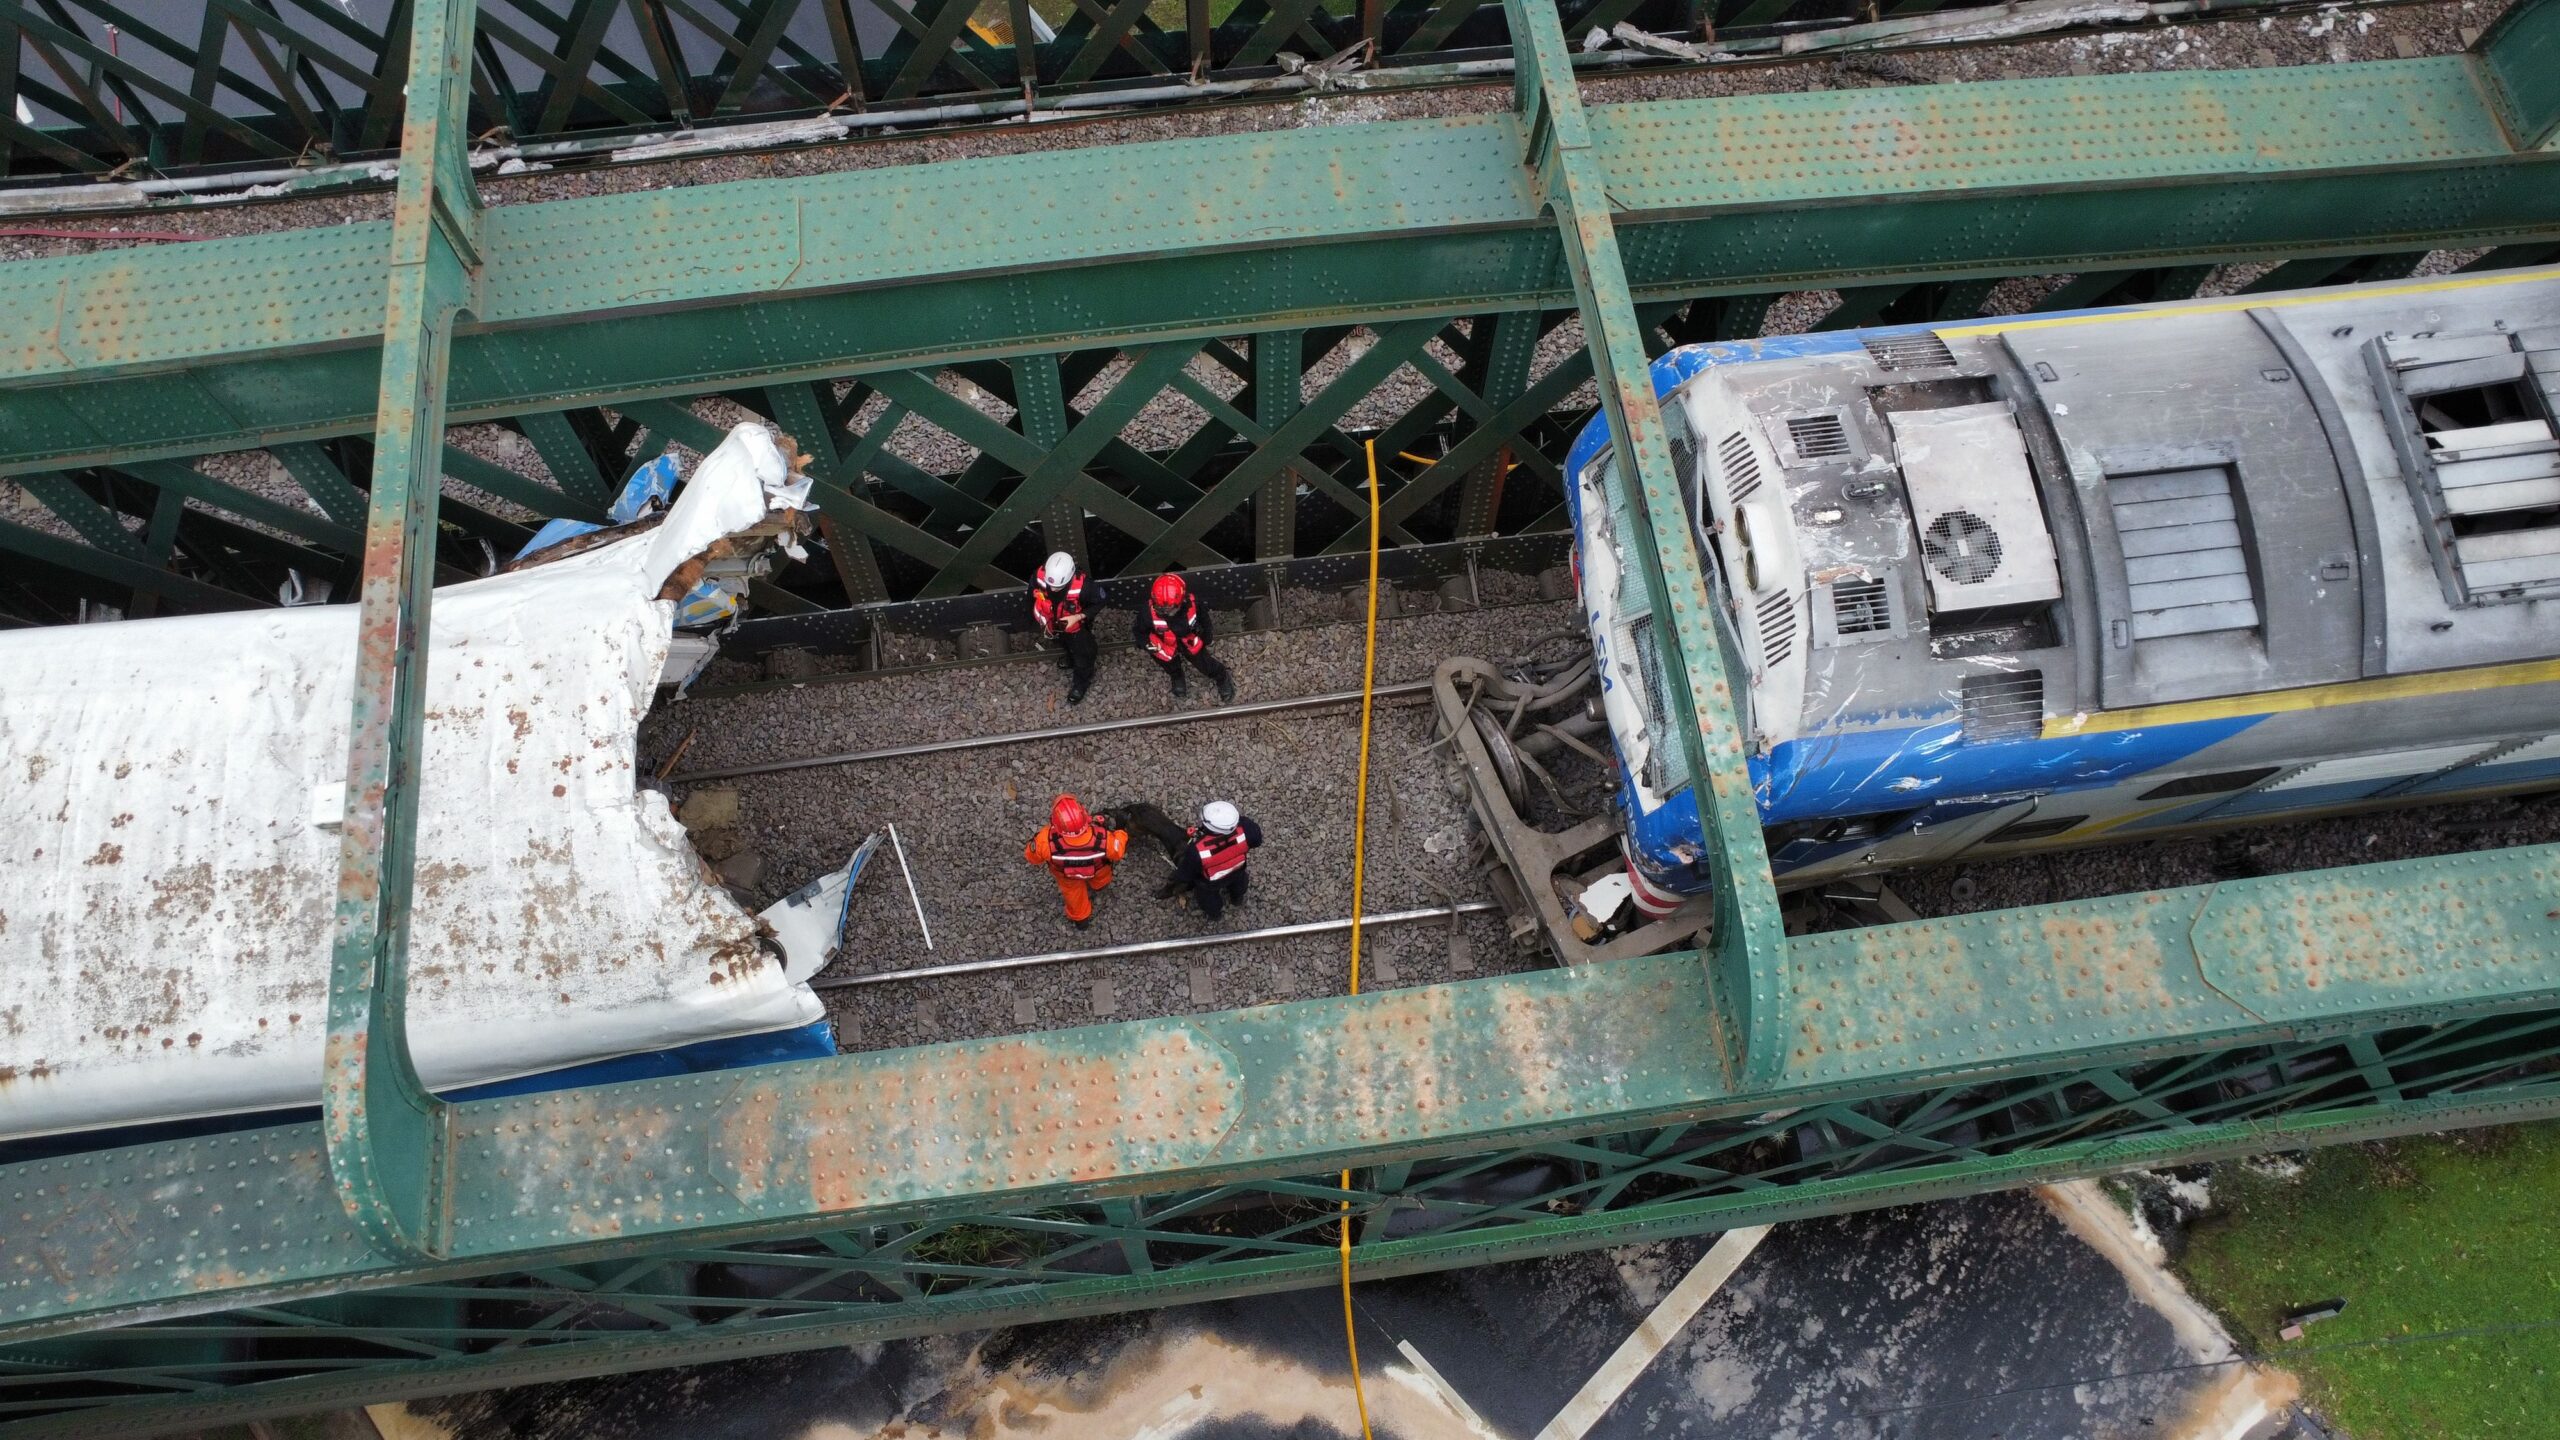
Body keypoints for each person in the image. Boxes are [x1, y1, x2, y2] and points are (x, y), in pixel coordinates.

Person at [1024, 794, 1128, 927]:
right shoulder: (1103, 838)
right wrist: (1120, 832)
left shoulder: (1044, 840)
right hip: (1098, 869)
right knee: (1102, 875)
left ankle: (1081, 919)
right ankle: (1099, 886)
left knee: (1074, 896)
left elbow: (1032, 857)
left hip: (1068, 877)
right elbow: (1117, 851)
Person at [1134, 572, 1237, 703]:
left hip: (1189, 640)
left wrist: (1206, 637)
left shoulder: (1193, 604)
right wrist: (1148, 645)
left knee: (1205, 663)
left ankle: (1221, 677)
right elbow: (1139, 631)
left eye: (1170, 609)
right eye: (1161, 608)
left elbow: (1205, 620)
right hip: (1164, 644)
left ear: (1181, 600)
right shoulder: (1147, 613)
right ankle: (1177, 676)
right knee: (1168, 663)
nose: (1166, 612)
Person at [1173, 800, 1262, 920]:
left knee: (1209, 900)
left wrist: (1177, 876)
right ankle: (1237, 898)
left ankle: (1215, 914)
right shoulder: (1247, 829)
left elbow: (1185, 875)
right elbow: (1257, 841)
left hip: (1211, 882)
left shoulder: (1197, 851)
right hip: (1238, 870)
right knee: (1239, 885)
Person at [1029, 551, 1096, 705]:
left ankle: (1081, 684)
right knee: (1064, 645)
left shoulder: (1085, 587)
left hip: (1076, 629)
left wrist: (1078, 617)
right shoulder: (1039, 577)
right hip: (1053, 625)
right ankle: (1070, 658)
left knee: (1084, 657)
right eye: (1050, 585)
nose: (1053, 589)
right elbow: (1030, 596)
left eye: (1058, 586)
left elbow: (1099, 602)